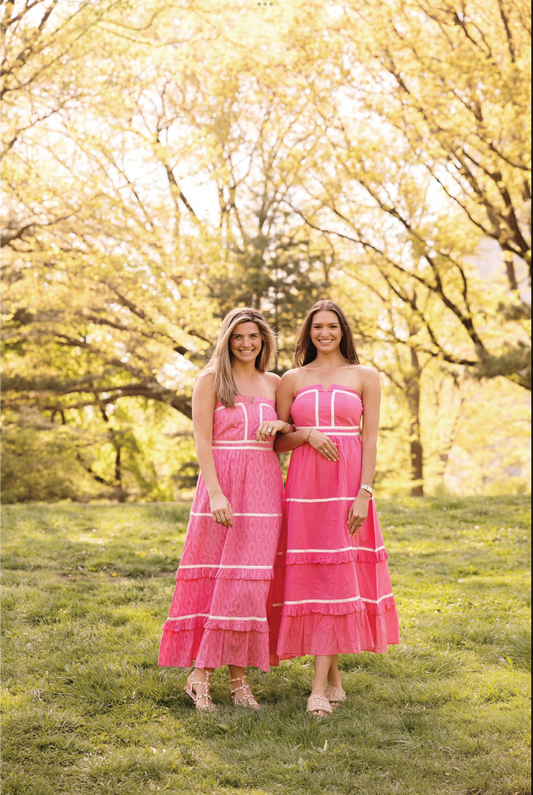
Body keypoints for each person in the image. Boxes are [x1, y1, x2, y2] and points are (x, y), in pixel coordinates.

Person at [270, 300, 400, 717]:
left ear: (343, 330)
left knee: (337, 577)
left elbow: (371, 438)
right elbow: (276, 441)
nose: (324, 333)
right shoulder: (291, 378)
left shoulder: (365, 376)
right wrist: (305, 433)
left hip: (347, 489)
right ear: (307, 333)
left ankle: (318, 691)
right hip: (305, 490)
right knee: (318, 578)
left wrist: (365, 491)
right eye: (316, 327)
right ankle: (331, 682)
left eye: (331, 327)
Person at [158, 308, 291, 710]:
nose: (246, 343)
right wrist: (216, 494)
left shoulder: (275, 382)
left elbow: (285, 431)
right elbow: (202, 442)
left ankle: (238, 683)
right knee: (218, 581)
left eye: (254, 336)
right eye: (238, 337)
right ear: (227, 340)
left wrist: (281, 427)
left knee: (249, 586)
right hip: (223, 485)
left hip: (265, 489)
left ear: (264, 340)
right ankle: (200, 674)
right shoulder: (211, 380)